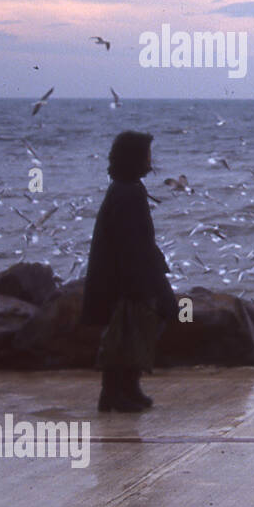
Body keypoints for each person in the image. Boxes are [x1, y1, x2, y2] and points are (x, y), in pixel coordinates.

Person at [80, 131, 177, 412]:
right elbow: (131, 241)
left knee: (135, 331)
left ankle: (128, 388)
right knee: (127, 334)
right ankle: (115, 392)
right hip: (128, 277)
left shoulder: (126, 188)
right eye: (146, 154)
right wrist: (145, 279)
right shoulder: (128, 192)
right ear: (134, 158)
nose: (150, 160)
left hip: (128, 273)